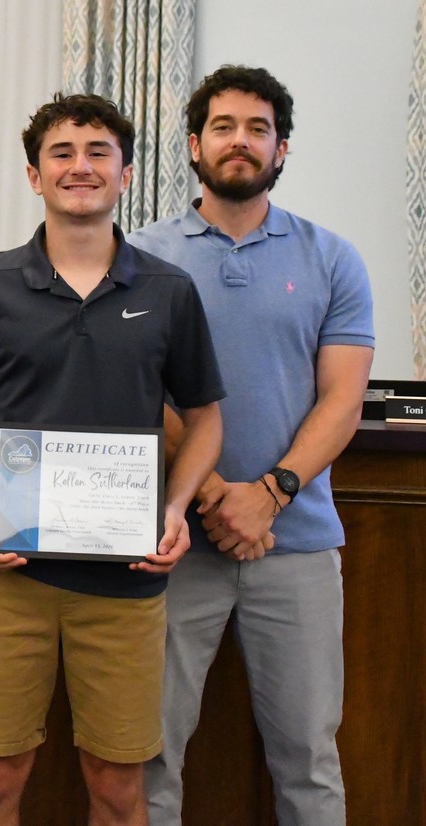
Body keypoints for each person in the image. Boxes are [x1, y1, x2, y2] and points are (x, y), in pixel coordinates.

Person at [0, 93, 224, 826]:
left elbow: (206, 420)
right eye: (61, 153)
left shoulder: (169, 291)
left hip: (125, 580)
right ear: (34, 175)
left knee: (118, 785)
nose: (80, 167)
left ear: (125, 174)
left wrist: (174, 511)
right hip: (7, 574)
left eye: (99, 152)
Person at [128, 65, 374, 826]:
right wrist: (211, 493)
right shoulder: (138, 255)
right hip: (172, 543)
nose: (241, 142)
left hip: (294, 544)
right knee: (148, 757)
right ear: (195, 145)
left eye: (258, 129)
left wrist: (266, 495)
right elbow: (135, 387)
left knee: (308, 758)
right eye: (225, 127)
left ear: (282, 149)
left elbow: (343, 399)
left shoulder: (331, 258)